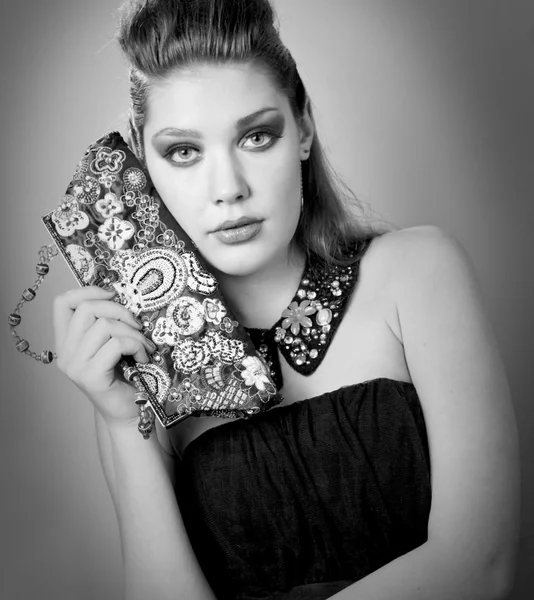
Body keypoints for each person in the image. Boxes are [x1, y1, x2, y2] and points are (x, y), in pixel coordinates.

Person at [52, 1, 521, 599]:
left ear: (302, 127)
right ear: (142, 158)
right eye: (184, 151)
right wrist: (124, 423)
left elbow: (483, 568)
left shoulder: (418, 273)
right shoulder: (140, 373)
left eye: (255, 136)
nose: (229, 189)